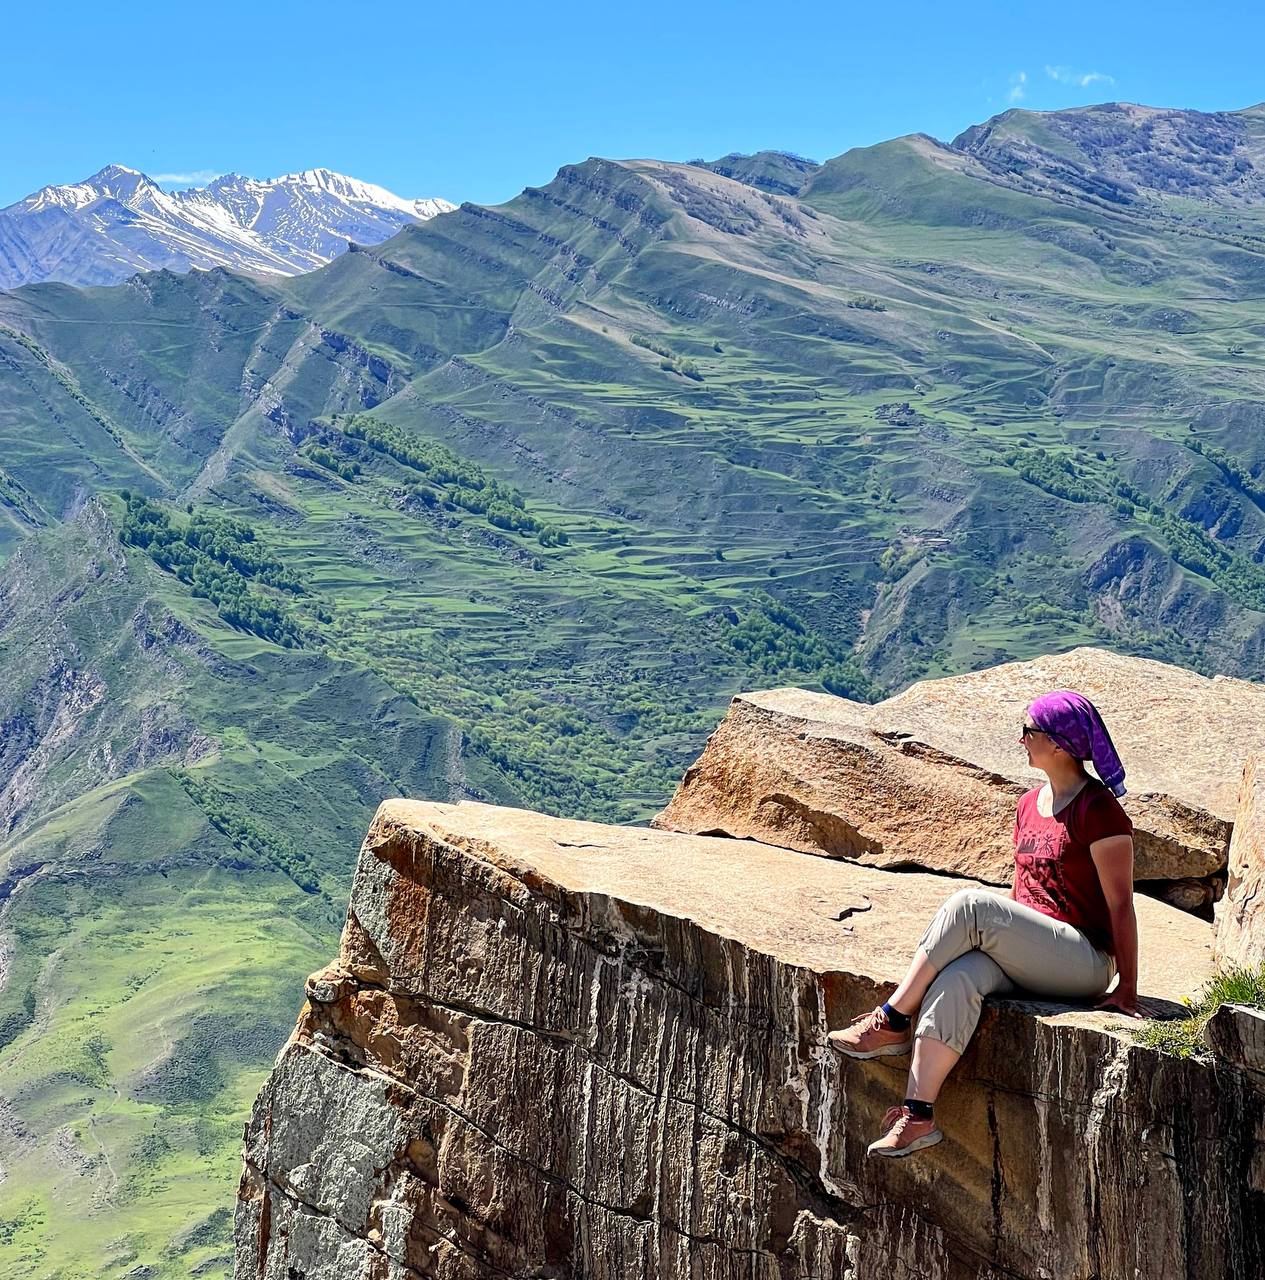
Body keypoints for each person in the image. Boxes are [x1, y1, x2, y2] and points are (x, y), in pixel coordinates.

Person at [829, 689, 1143, 1158]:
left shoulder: (1098, 811)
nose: (1021, 740)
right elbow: (1024, 893)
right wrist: (996, 946)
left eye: (1029, 731)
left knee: (969, 904)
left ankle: (892, 1018)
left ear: (1058, 744)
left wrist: (1127, 988)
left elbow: (1121, 903)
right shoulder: (1027, 805)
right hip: (1035, 955)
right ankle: (918, 1115)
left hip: (1084, 960)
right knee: (958, 977)